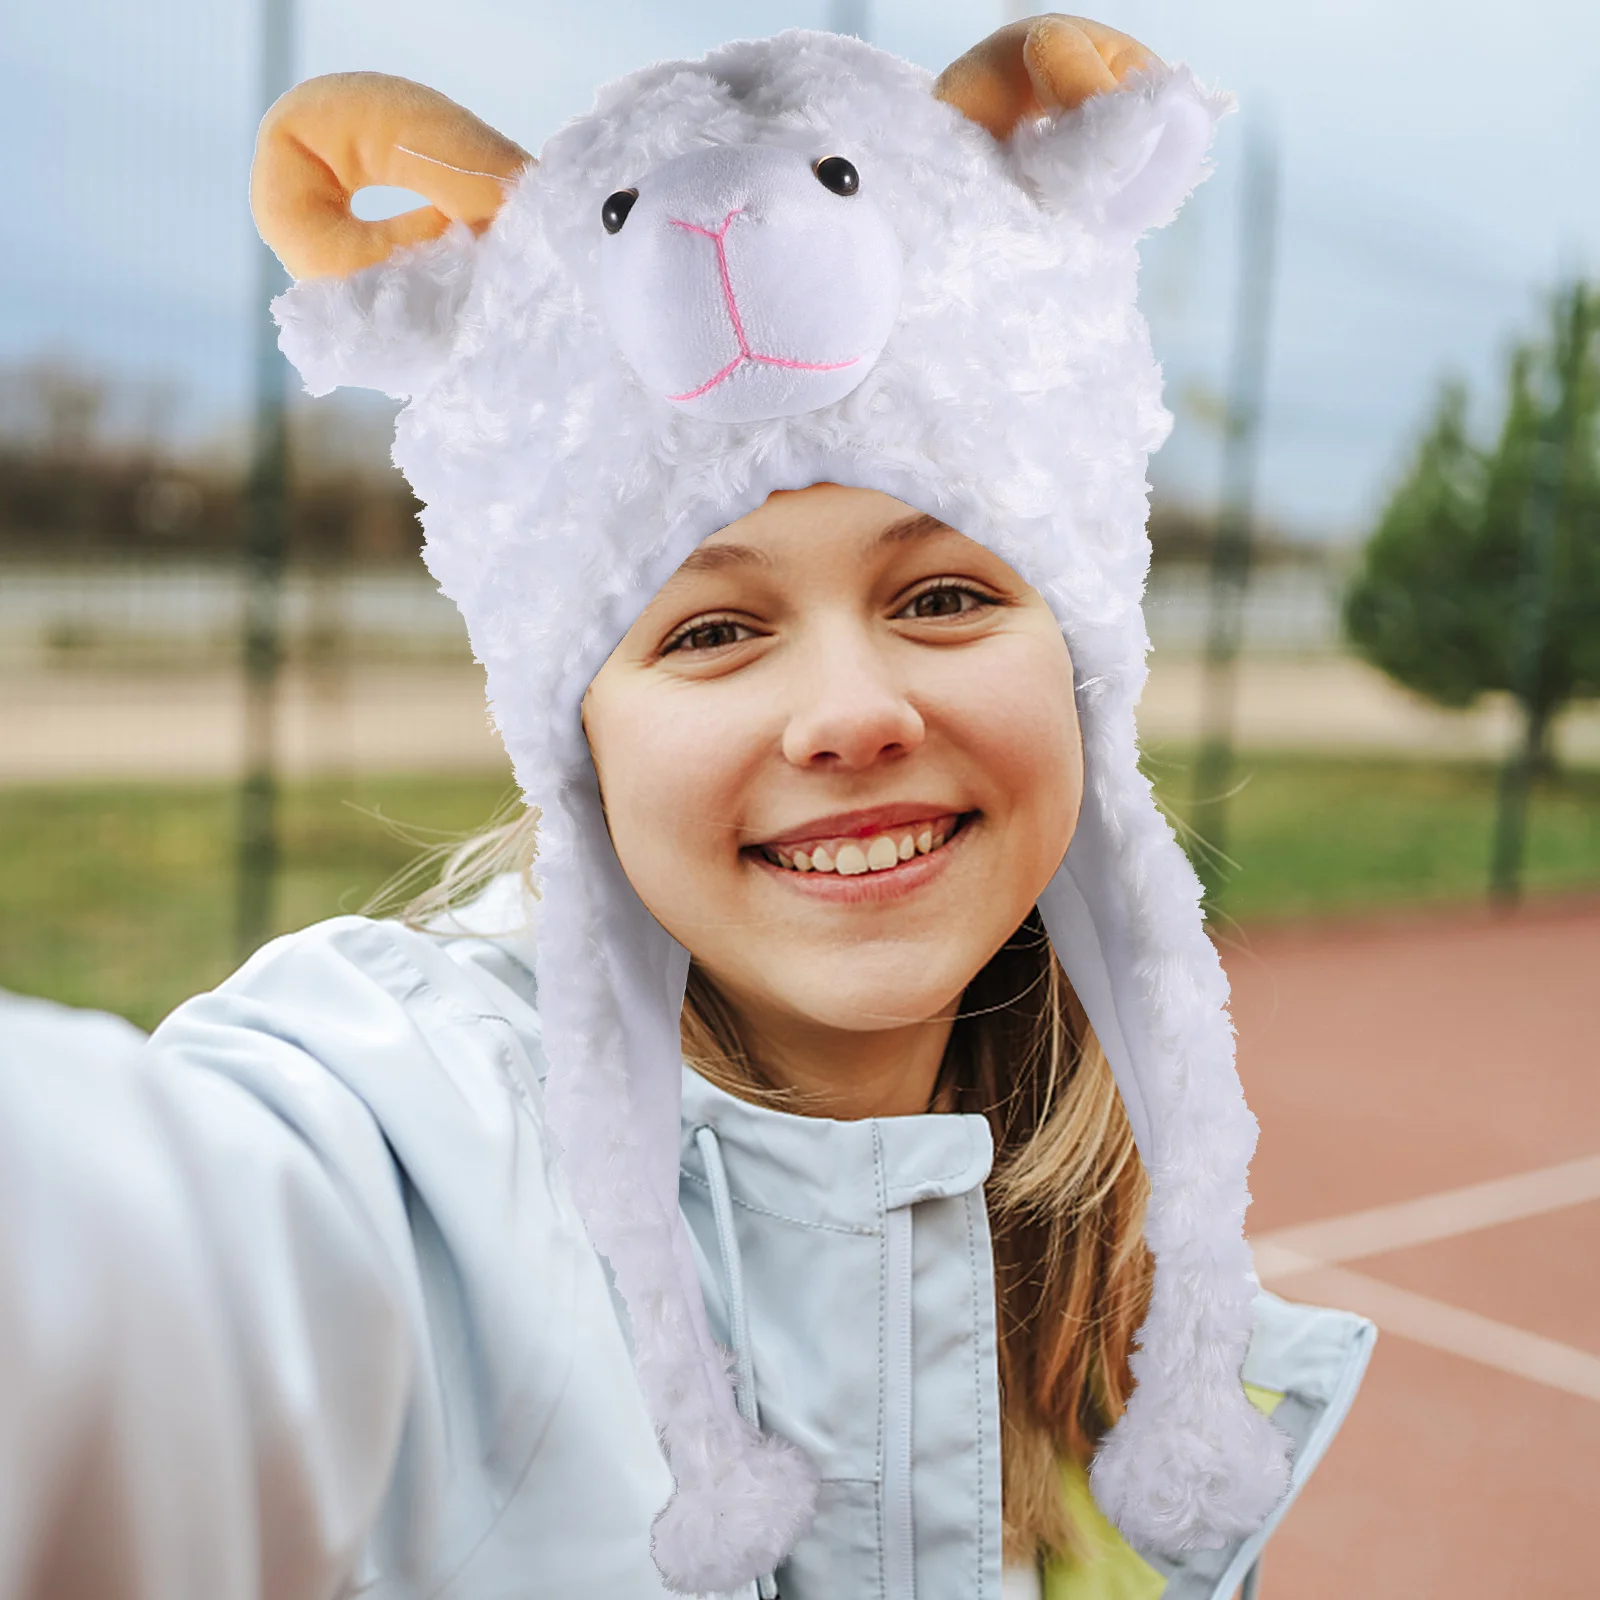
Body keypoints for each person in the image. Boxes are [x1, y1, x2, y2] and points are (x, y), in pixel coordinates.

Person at [0, 17, 1375, 1600]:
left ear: (1080, 665)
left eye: (942, 593)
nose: (855, 711)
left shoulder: (1114, 1279)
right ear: (578, 739)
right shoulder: (417, 1149)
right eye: (711, 630)